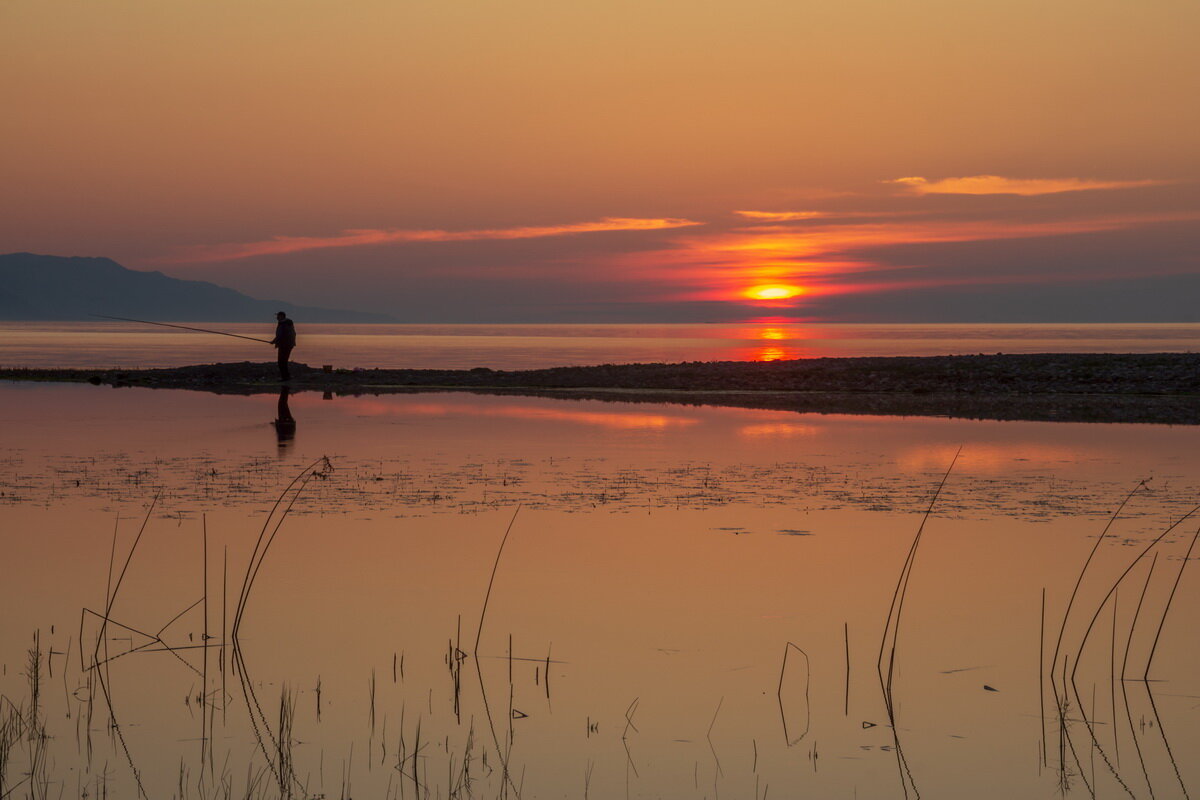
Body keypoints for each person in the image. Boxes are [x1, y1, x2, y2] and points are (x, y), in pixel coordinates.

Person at [270, 311, 296, 381]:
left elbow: (281, 335)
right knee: (283, 361)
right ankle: (286, 377)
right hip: (287, 345)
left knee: (281, 362)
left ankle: (285, 377)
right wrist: (275, 341)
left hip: (285, 345)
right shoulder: (286, 323)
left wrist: (274, 341)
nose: (277, 317)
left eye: (278, 316)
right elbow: (281, 335)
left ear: (282, 316)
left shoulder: (284, 324)